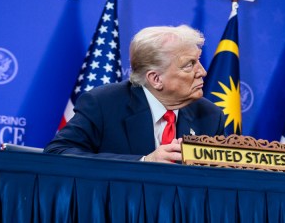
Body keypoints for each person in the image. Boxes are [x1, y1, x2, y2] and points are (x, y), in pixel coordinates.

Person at [45, 24, 225, 161]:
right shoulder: (103, 104)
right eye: (189, 65)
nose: (202, 72)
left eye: (198, 61)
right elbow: (58, 152)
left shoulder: (210, 115)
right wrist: (144, 161)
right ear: (155, 79)